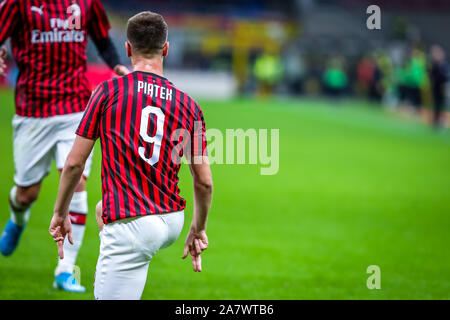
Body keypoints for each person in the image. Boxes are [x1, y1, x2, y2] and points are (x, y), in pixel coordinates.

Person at [49, 11, 213, 300]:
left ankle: (123, 261)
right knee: (103, 211)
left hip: (134, 221)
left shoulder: (108, 91)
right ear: (166, 48)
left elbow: (74, 163)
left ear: (127, 49)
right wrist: (197, 229)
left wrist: (61, 212)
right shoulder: (189, 105)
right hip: (172, 219)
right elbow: (204, 182)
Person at [0, 0, 129, 293]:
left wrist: (117, 65)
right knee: (26, 193)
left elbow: (103, 40)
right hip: (32, 112)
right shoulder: (17, 4)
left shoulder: (87, 4)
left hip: (74, 107)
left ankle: (65, 270)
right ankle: (17, 218)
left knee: (76, 181)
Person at [430, 45, 449, 128]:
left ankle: (441, 120)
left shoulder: (444, 65)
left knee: (441, 105)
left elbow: (445, 77)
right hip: (436, 88)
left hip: (442, 88)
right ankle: (436, 120)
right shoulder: (434, 65)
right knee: (436, 104)